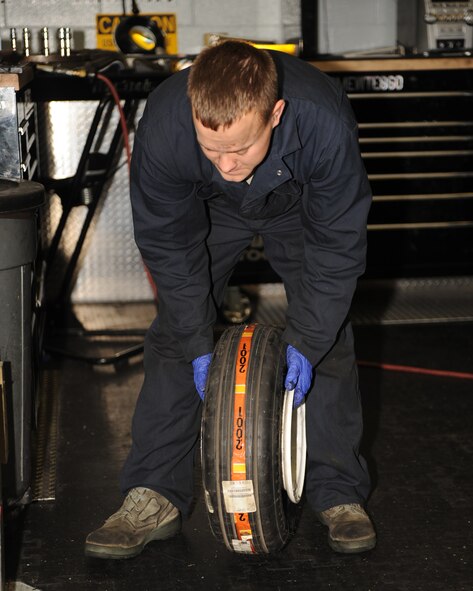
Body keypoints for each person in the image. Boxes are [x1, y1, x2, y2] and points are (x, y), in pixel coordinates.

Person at [85, 40, 376, 559]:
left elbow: (338, 246)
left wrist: (307, 343)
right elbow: (169, 247)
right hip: (209, 209)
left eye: (240, 147)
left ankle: (338, 494)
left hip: (298, 203)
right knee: (176, 332)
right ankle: (153, 495)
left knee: (328, 332)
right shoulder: (169, 128)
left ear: (275, 114)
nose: (226, 162)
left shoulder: (322, 120)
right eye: (211, 148)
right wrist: (198, 340)